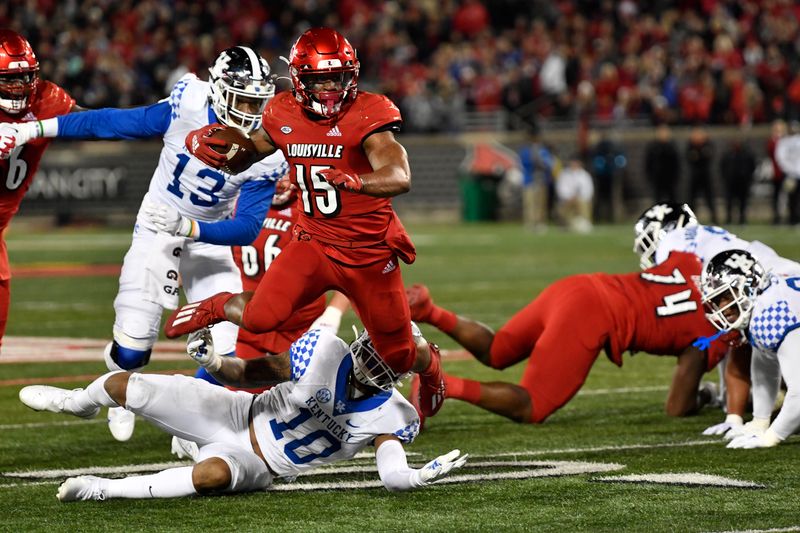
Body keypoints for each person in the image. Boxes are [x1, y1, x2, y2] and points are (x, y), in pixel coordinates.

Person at [0, 46, 288, 441]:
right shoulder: (187, 103)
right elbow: (117, 122)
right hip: (157, 227)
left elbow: (248, 228)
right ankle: (116, 381)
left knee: (222, 349)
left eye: (257, 100)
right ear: (217, 90)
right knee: (134, 351)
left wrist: (188, 227)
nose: (251, 110)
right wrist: (32, 130)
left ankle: (192, 430)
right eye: (242, 98)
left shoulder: (269, 150)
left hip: (207, 236)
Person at [169, 27, 446, 418]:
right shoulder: (282, 111)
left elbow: (400, 175)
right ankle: (215, 305)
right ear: (299, 80)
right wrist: (218, 146)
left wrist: (359, 181)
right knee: (262, 316)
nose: (331, 88)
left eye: (338, 77)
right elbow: (250, 152)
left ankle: (430, 364)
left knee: (398, 355)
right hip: (312, 242)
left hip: (368, 254)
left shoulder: (370, 112)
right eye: (320, 79)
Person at [18, 325, 467, 500]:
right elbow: (255, 373)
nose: (367, 360)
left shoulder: (393, 413)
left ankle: (104, 490)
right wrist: (216, 364)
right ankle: (76, 403)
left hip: (259, 464)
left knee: (208, 476)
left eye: (380, 360)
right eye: (370, 349)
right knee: (122, 386)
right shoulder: (326, 349)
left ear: (395, 373)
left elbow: (391, 473)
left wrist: (414, 477)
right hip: (236, 412)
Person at [404, 250, 736, 426]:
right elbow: (677, 406)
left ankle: (431, 311)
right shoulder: (716, 329)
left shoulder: (690, 260)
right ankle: (443, 383)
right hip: (594, 314)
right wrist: (706, 396)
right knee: (532, 406)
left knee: (498, 350)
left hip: (579, 286)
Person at [635, 202, 800, 437]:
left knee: (768, 343)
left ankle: (763, 405)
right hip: (775, 272)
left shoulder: (671, 246)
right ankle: (744, 405)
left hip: (764, 285)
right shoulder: (702, 236)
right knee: (745, 337)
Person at [228, 175, 350, 392]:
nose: (278, 181)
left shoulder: (315, 207)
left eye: (283, 171)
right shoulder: (239, 200)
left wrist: (332, 316)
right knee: (238, 401)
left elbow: (353, 268)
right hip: (248, 325)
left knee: (316, 405)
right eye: (271, 172)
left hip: (299, 329)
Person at [0, 30, 78, 352]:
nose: (19, 88)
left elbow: (96, 123)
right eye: (9, 80)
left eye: (25, 78)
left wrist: (159, 117)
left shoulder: (48, 100)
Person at [700, 249, 800, 449]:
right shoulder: (766, 300)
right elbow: (764, 365)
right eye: (718, 299)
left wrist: (771, 436)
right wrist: (760, 422)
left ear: (749, 287)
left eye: (727, 296)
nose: (722, 306)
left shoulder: (773, 312)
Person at [685, 126, 718, 225]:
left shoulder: (707, 145)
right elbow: (689, 158)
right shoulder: (690, 146)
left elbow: (709, 156)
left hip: (705, 176)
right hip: (694, 176)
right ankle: (690, 219)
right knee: (691, 200)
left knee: (709, 198)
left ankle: (714, 219)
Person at [719, 138, 756, 225]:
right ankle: (729, 219)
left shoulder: (747, 154)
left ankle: (742, 219)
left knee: (743, 201)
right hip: (731, 181)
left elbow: (752, 166)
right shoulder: (728, 154)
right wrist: (726, 177)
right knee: (729, 201)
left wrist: (748, 176)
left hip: (743, 181)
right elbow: (722, 166)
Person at [554, 157, 593, 233]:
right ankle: (566, 224)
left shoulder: (585, 175)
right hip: (567, 200)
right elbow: (560, 189)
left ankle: (585, 223)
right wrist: (569, 197)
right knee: (562, 208)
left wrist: (578, 198)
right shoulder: (564, 174)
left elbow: (588, 190)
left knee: (583, 203)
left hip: (581, 199)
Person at [644, 124, 681, 203]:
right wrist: (651, 177)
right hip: (657, 179)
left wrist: (675, 177)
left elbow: (677, 164)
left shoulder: (672, 147)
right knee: (658, 201)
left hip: (670, 179)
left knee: (672, 201)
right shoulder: (653, 147)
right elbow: (648, 163)